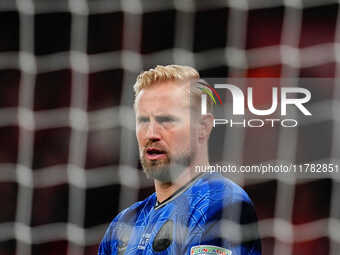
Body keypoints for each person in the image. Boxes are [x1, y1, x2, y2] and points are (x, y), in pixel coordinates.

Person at [98, 65, 261, 255]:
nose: (151, 133)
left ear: (203, 127)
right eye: (143, 120)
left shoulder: (223, 202)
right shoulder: (123, 223)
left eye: (166, 120)